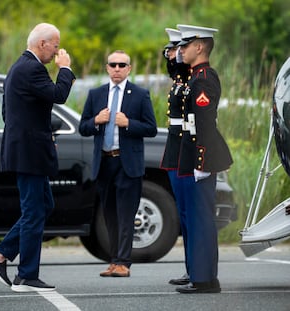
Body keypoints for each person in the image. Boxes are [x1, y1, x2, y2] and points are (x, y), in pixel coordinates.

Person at [0, 22, 75, 292]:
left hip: (27, 150)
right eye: (55, 45)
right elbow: (60, 95)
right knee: (34, 210)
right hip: (29, 153)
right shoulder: (32, 68)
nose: (57, 51)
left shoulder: (18, 67)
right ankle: (26, 275)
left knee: (43, 206)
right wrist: (65, 68)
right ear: (42, 43)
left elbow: (8, 112)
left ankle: (0, 255)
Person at [79, 50, 157, 277]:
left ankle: (124, 262)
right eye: (113, 64)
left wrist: (128, 123)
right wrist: (96, 120)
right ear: (107, 67)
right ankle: (114, 261)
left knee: (126, 214)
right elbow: (83, 127)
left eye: (122, 65)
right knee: (109, 215)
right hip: (104, 162)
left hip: (127, 163)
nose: (117, 68)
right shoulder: (96, 94)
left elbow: (150, 128)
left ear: (129, 69)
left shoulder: (140, 94)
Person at [174, 24, 233, 294]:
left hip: (201, 158)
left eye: (185, 46)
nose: (180, 50)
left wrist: (201, 163)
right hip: (191, 155)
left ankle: (205, 280)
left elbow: (205, 124)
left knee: (202, 220)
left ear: (199, 47)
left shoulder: (205, 78)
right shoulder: (195, 76)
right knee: (197, 219)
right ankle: (202, 276)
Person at [160, 28, 191, 286]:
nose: (172, 54)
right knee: (184, 214)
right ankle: (192, 268)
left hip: (185, 147)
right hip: (175, 147)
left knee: (191, 214)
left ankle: (197, 269)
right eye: (171, 50)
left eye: (177, 49)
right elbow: (173, 70)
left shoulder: (192, 79)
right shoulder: (179, 80)